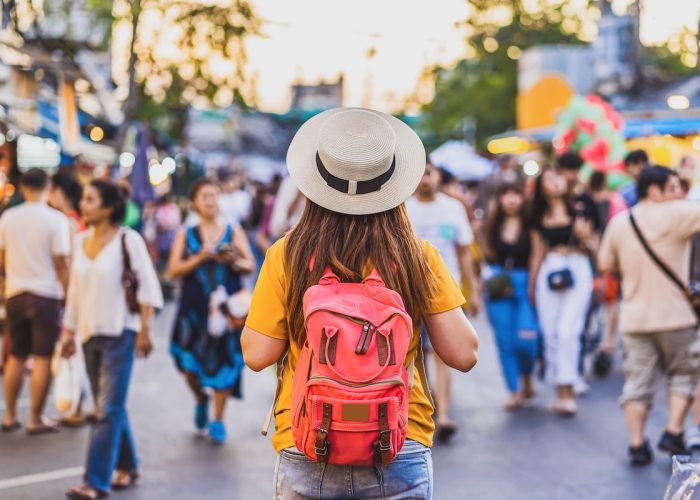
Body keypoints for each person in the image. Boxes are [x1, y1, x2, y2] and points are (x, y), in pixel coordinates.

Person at [241, 107, 479, 499]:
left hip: (308, 439)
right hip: (398, 441)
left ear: (315, 183)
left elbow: (256, 353)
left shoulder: (288, 255)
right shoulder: (418, 256)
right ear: (394, 183)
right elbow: (464, 354)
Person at [60, 180, 163, 499]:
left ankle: (95, 480)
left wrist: (145, 330)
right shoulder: (79, 241)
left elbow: (147, 285)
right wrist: (69, 330)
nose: (83, 203)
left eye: (90, 199)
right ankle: (130, 465)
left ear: (108, 208)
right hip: (90, 334)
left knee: (106, 409)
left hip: (122, 332)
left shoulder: (128, 240)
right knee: (111, 406)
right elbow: (75, 292)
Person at [599, 166, 700, 466]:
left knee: (637, 382)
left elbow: (606, 264)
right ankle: (673, 430)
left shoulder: (619, 223)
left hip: (635, 317)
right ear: (653, 190)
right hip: (677, 316)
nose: (678, 193)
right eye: (672, 187)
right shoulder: (679, 213)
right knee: (683, 374)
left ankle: (636, 443)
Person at [168, 178, 255, 445]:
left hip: (227, 309)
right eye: (205, 196)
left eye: (214, 196)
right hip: (194, 310)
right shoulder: (187, 233)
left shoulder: (233, 230)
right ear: (194, 202)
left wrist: (233, 260)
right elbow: (173, 270)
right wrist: (200, 257)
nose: (210, 201)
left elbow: (250, 265)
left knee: (225, 361)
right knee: (187, 364)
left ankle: (218, 418)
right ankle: (199, 398)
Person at [406, 159, 481, 442]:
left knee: (442, 354)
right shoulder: (403, 210)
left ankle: (445, 413)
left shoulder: (453, 209)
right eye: (420, 174)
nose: (425, 179)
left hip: (446, 296)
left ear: (438, 176)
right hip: (410, 295)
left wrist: (472, 290)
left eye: (429, 173)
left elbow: (465, 252)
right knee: (417, 354)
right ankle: (428, 403)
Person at [0, 168, 70, 435]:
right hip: (46, 295)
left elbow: (2, 259)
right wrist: (69, 296)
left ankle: (8, 415)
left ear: (23, 187)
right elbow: (61, 264)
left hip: (16, 293)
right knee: (42, 357)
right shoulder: (56, 220)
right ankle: (35, 418)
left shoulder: (8, 217)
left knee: (15, 356)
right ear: (48, 186)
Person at [529, 168, 598, 416]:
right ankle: (560, 391)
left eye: (558, 177)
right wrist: (532, 287)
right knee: (550, 333)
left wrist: (584, 237)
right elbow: (537, 254)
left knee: (568, 331)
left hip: (577, 268)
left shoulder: (581, 209)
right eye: (549, 179)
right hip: (550, 269)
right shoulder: (538, 215)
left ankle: (569, 389)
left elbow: (596, 249)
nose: (556, 182)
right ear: (542, 187)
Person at [483, 182, 539, 410]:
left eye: (516, 193)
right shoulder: (492, 224)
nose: (511, 199)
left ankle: (527, 375)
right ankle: (514, 390)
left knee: (526, 339)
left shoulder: (530, 223)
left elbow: (536, 255)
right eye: (506, 194)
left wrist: (533, 288)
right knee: (504, 341)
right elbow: (485, 252)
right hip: (498, 284)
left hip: (525, 283)